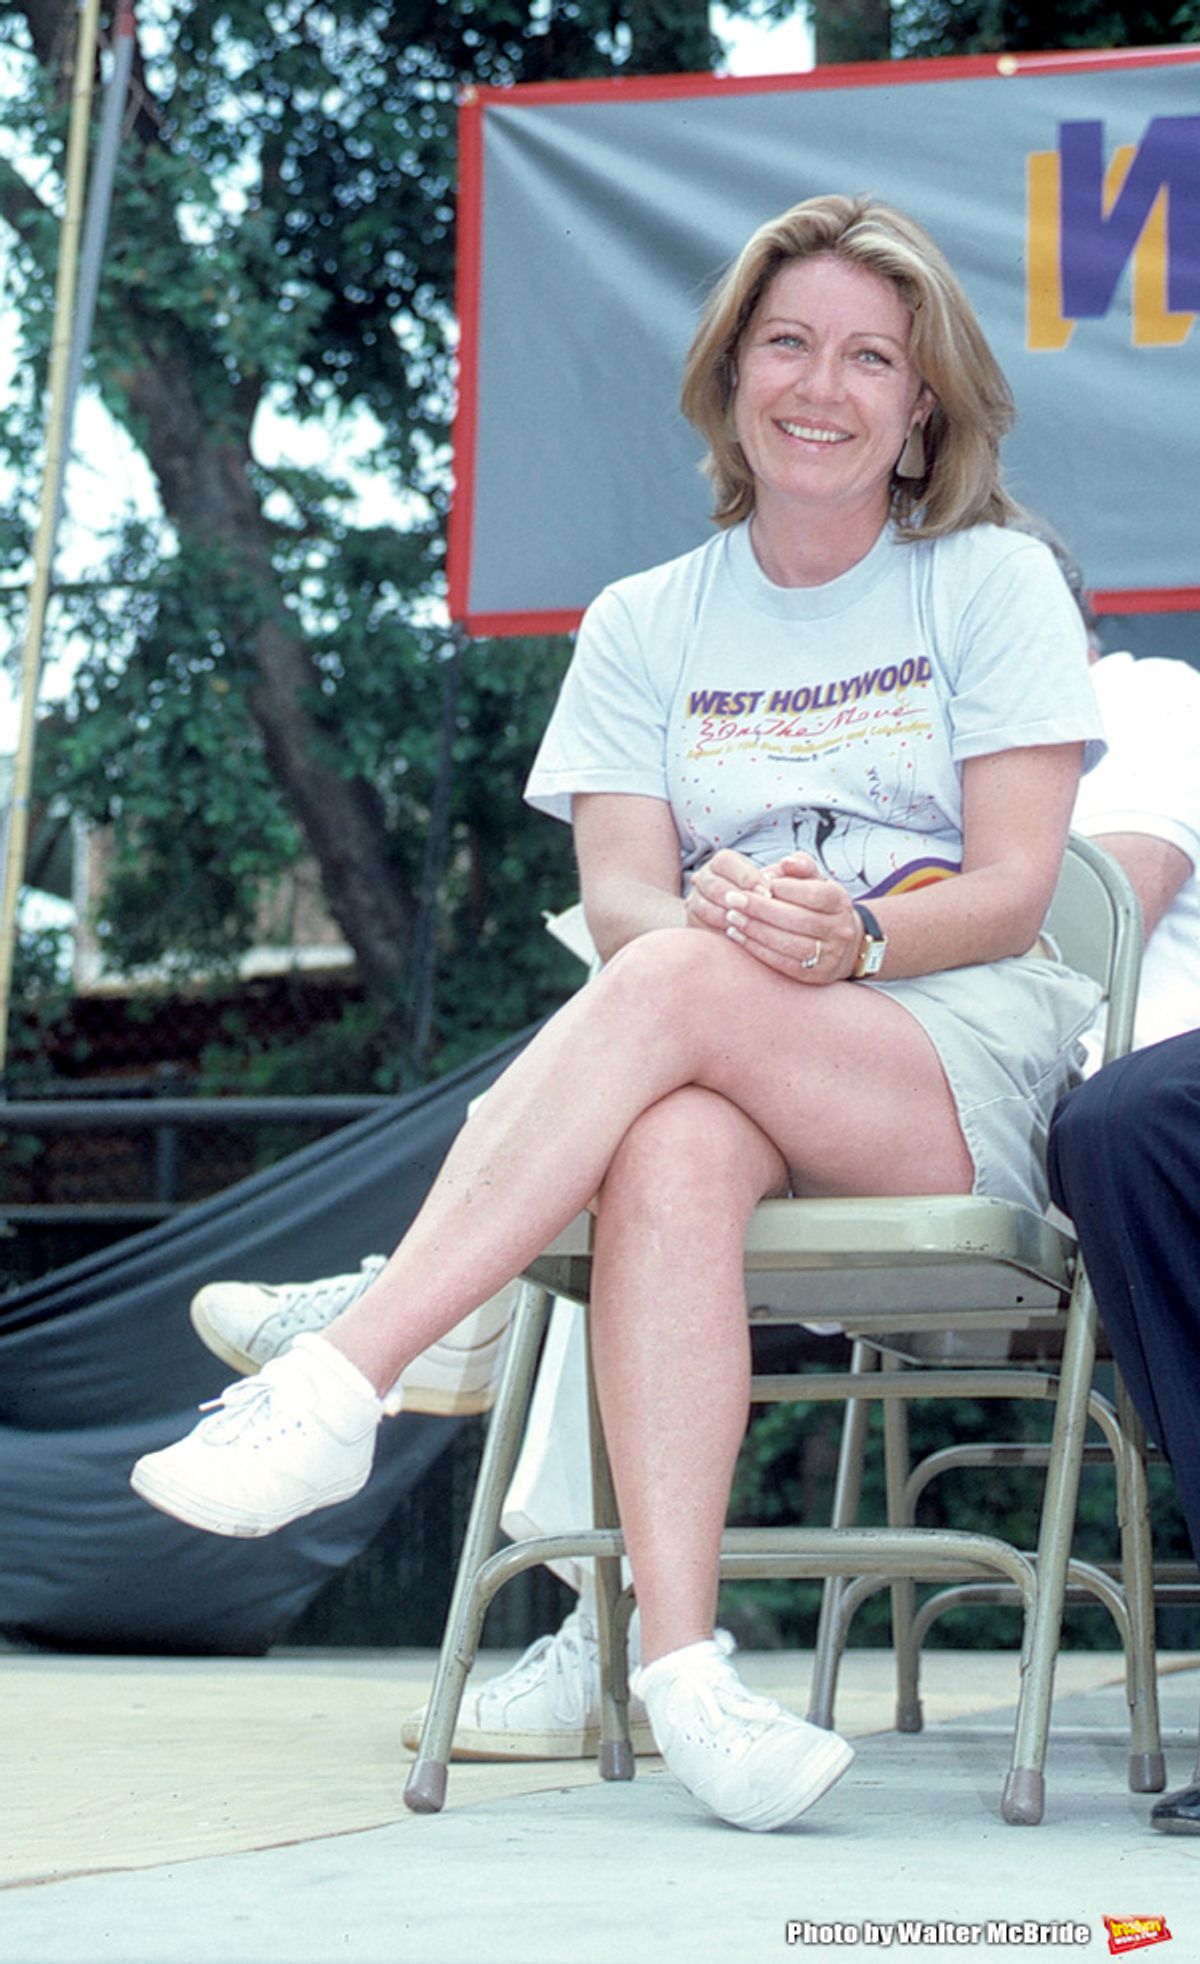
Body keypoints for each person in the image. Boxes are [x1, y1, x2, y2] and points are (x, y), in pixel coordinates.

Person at [131, 192, 1105, 1834]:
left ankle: (350, 1372)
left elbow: (1015, 885)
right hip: (714, 1041)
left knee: (663, 1000)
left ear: (922, 401)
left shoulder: (989, 582)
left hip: (945, 1054)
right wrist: (726, 925)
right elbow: (632, 896)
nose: (824, 383)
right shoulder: (647, 620)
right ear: (731, 378)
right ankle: (681, 1672)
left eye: (872, 356)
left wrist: (848, 937)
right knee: (666, 1144)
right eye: (786, 343)